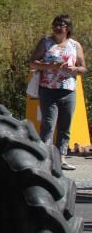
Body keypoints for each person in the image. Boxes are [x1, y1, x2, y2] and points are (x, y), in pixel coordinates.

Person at [28, 14, 86, 171]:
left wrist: (74, 69)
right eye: (54, 24)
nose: (56, 27)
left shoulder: (75, 45)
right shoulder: (46, 42)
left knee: (65, 127)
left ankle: (61, 159)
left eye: (60, 24)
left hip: (68, 90)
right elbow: (33, 62)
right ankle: (44, 158)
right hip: (48, 90)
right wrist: (50, 66)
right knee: (48, 125)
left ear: (67, 28)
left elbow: (83, 68)